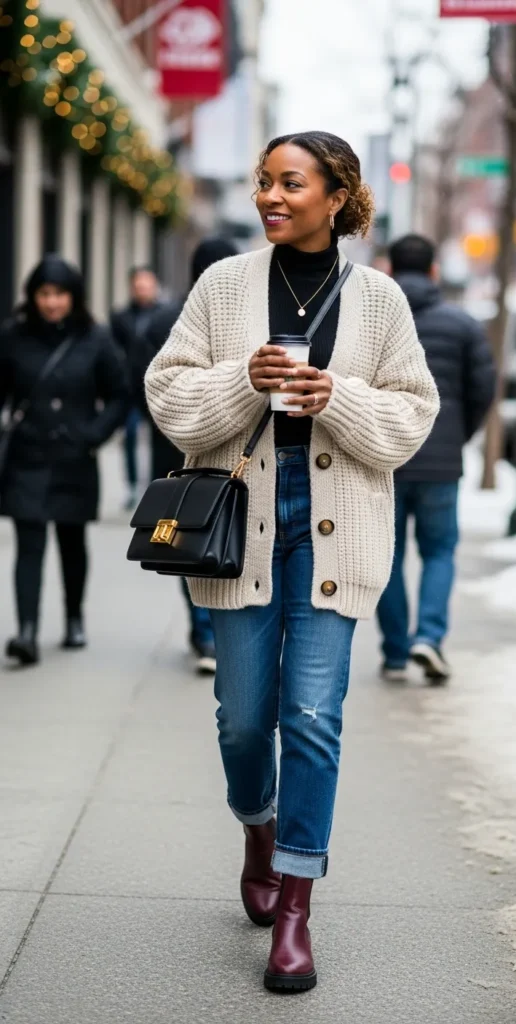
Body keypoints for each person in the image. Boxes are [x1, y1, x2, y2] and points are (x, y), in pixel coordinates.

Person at [145, 131, 439, 992]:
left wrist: (335, 396)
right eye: (264, 181)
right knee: (243, 720)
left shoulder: (379, 300)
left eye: (291, 183)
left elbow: (411, 416)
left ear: (336, 198)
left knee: (311, 716)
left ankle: (296, 909)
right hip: (242, 523)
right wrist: (243, 379)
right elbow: (168, 394)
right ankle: (258, 829)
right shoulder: (222, 285)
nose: (270, 196)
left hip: (334, 528)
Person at [376, 234, 496, 684]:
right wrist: (458, 437)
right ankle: (429, 637)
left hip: (386, 457)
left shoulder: (375, 324)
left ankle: (395, 652)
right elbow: (482, 389)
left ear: (390, 271)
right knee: (440, 551)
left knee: (386, 555)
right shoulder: (463, 324)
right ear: (433, 272)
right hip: (441, 461)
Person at [0, 255, 128, 666]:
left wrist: (93, 435)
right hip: (28, 456)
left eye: (59, 294)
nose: (51, 302)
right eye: (44, 294)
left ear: (73, 296)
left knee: (72, 542)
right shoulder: (14, 336)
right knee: (29, 544)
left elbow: (120, 394)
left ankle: (74, 618)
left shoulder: (95, 338)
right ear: (32, 296)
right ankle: (27, 631)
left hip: (75, 457)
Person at [139, 239, 238, 674]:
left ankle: (203, 632)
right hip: (230, 451)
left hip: (172, 451)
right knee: (226, 536)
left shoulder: (164, 319)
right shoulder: (238, 320)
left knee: (185, 538)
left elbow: (142, 382)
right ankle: (213, 631)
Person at [111, 267, 163, 509]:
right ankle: (132, 486)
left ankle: (156, 485)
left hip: (156, 386)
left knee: (159, 439)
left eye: (147, 285)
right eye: (139, 286)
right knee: (130, 435)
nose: (143, 290)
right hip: (130, 388)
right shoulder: (120, 317)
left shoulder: (165, 314)